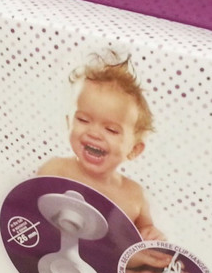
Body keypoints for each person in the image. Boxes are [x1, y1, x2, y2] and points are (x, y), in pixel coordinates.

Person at [38, 54, 165, 241]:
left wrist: (151, 234)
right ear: (68, 122)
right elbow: (25, 210)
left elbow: (146, 231)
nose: (94, 133)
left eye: (111, 130)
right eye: (83, 120)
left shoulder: (134, 196)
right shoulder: (55, 171)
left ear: (134, 149)